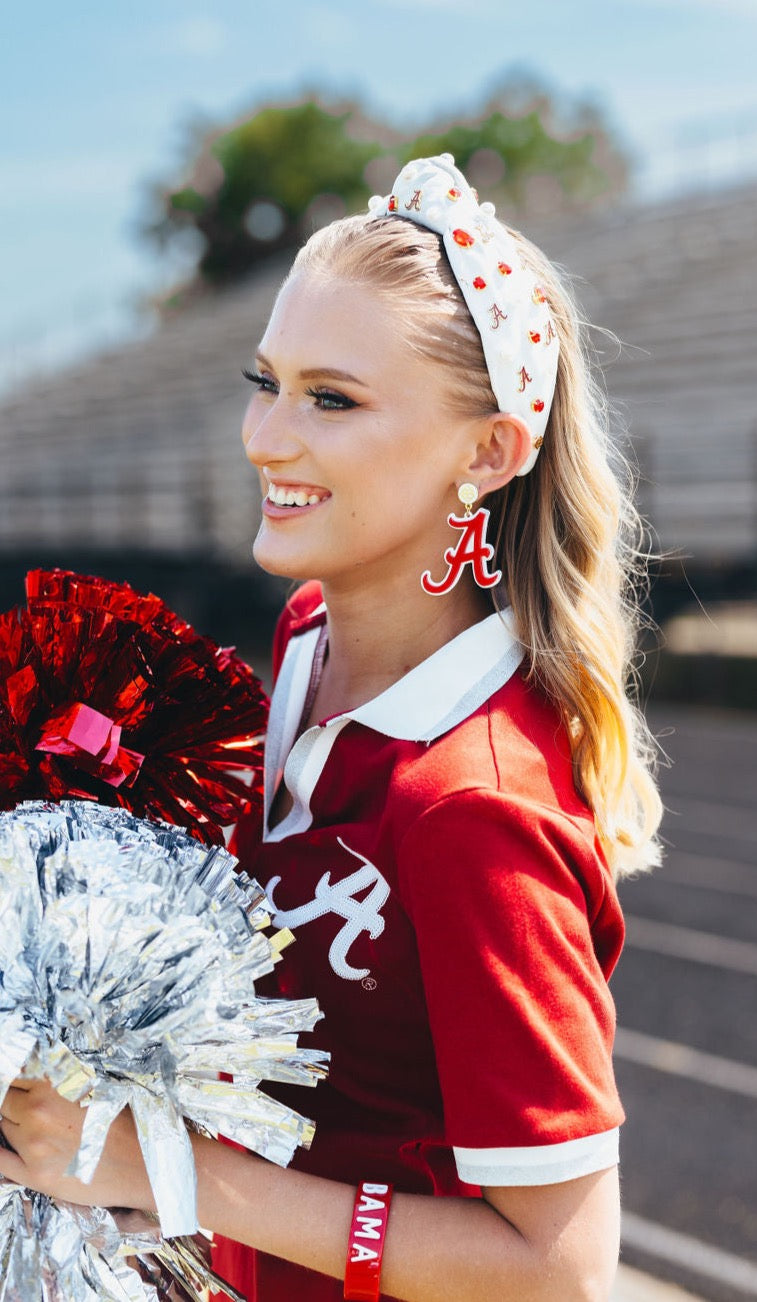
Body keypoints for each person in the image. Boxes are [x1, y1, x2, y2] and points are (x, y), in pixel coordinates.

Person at [0, 154, 662, 1302]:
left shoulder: (473, 809)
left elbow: (558, 1272)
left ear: (488, 452)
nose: (265, 437)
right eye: (266, 380)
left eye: (331, 399)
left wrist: (178, 1171)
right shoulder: (307, 639)